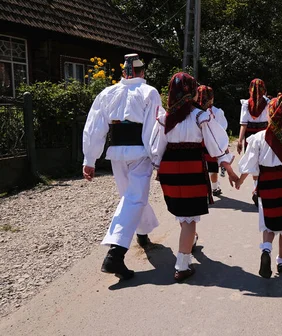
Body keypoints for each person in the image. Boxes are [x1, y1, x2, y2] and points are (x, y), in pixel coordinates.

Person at [151, 73, 238, 282]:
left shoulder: (164, 118)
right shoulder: (200, 116)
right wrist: (230, 169)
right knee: (189, 217)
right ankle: (182, 264)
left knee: (182, 212)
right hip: (191, 168)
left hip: (170, 168)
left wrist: (156, 170)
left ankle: (188, 242)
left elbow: (157, 149)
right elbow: (215, 145)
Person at [82, 53, 161, 280]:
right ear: (142, 71)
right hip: (140, 152)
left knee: (131, 196)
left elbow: (94, 127)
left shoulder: (107, 93)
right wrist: (157, 159)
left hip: (116, 154)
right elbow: (152, 129)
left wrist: (90, 159)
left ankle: (143, 233)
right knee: (134, 198)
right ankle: (115, 254)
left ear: (123, 72)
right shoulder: (149, 92)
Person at [237, 94, 282, 278]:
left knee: (268, 222)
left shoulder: (259, 138)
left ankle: (266, 250)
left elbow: (250, 164)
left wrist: (240, 180)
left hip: (267, 184)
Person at [238, 79, 270, 206]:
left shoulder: (246, 104)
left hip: (250, 135)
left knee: (253, 161)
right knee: (263, 161)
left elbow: (243, 124)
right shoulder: (268, 102)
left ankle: (256, 189)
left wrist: (240, 140)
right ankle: (258, 190)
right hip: (264, 134)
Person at [196, 85, 228, 197]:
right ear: (212, 97)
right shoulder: (217, 112)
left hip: (197, 143)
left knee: (200, 166)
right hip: (212, 143)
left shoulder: (193, 111)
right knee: (213, 166)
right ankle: (214, 187)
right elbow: (222, 128)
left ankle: (203, 188)